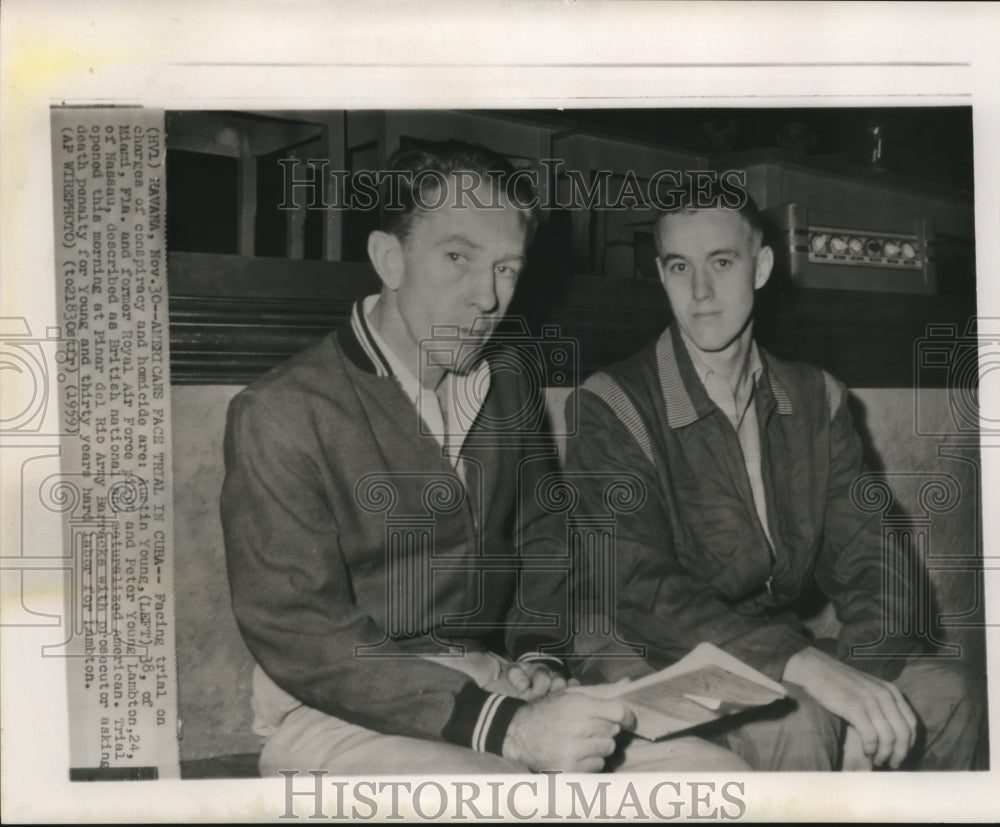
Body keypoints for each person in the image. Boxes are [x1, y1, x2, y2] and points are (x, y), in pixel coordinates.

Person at [220, 141, 747, 775]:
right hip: (333, 710)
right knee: (506, 800)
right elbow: (301, 632)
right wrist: (506, 726)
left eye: (506, 268)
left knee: (711, 777)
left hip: (495, 682)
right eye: (457, 258)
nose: (488, 298)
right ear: (389, 259)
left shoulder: (507, 380)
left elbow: (541, 536)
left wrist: (541, 658)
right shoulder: (281, 412)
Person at [559, 186, 985, 771]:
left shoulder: (816, 398)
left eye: (722, 262)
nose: (700, 292)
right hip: (646, 655)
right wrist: (805, 670)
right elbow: (640, 590)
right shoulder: (611, 404)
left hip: (767, 649)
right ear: (660, 274)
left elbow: (875, 559)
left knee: (952, 694)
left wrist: (855, 676)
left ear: (760, 267)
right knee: (797, 720)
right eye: (680, 267)